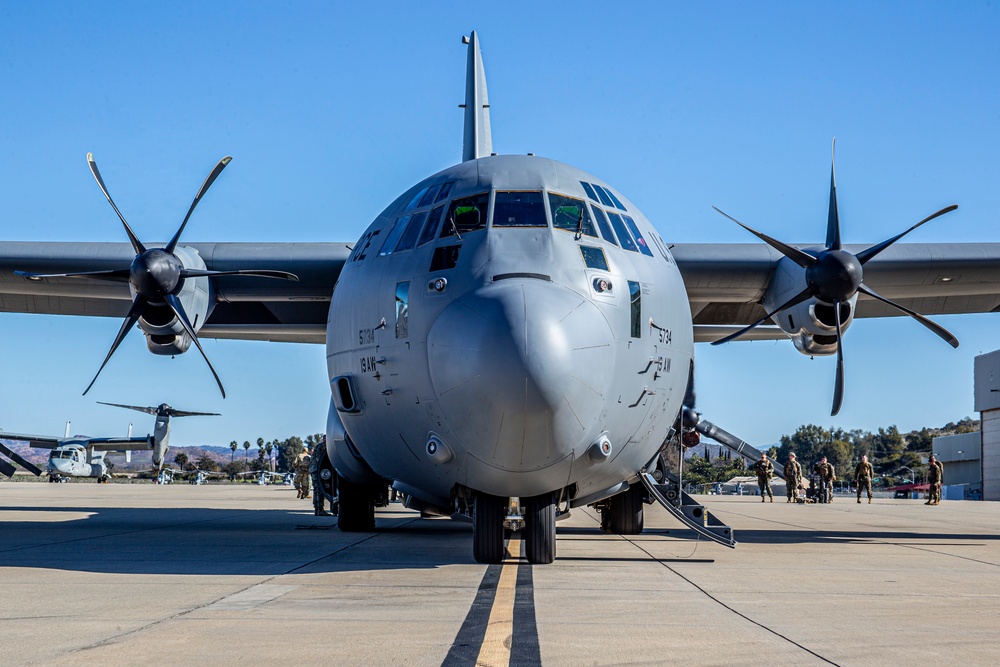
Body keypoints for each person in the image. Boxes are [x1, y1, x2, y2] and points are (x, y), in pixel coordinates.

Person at [309, 439, 332, 516]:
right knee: (319, 489)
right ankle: (319, 509)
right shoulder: (321, 446)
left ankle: (317, 509)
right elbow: (319, 459)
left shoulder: (322, 446)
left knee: (317, 489)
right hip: (317, 470)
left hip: (316, 469)